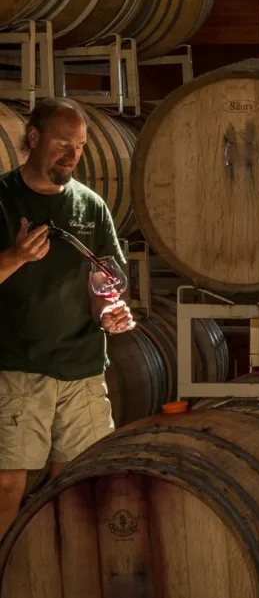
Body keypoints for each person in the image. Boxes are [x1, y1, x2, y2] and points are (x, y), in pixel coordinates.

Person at [0, 98, 134, 536]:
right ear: (34, 138)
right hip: (18, 364)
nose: (72, 156)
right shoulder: (2, 198)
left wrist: (110, 311)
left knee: (76, 484)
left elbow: (105, 279)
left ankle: (63, 574)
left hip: (81, 367)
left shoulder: (89, 206)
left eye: (78, 147)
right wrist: (15, 257)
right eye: (63, 144)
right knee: (7, 485)